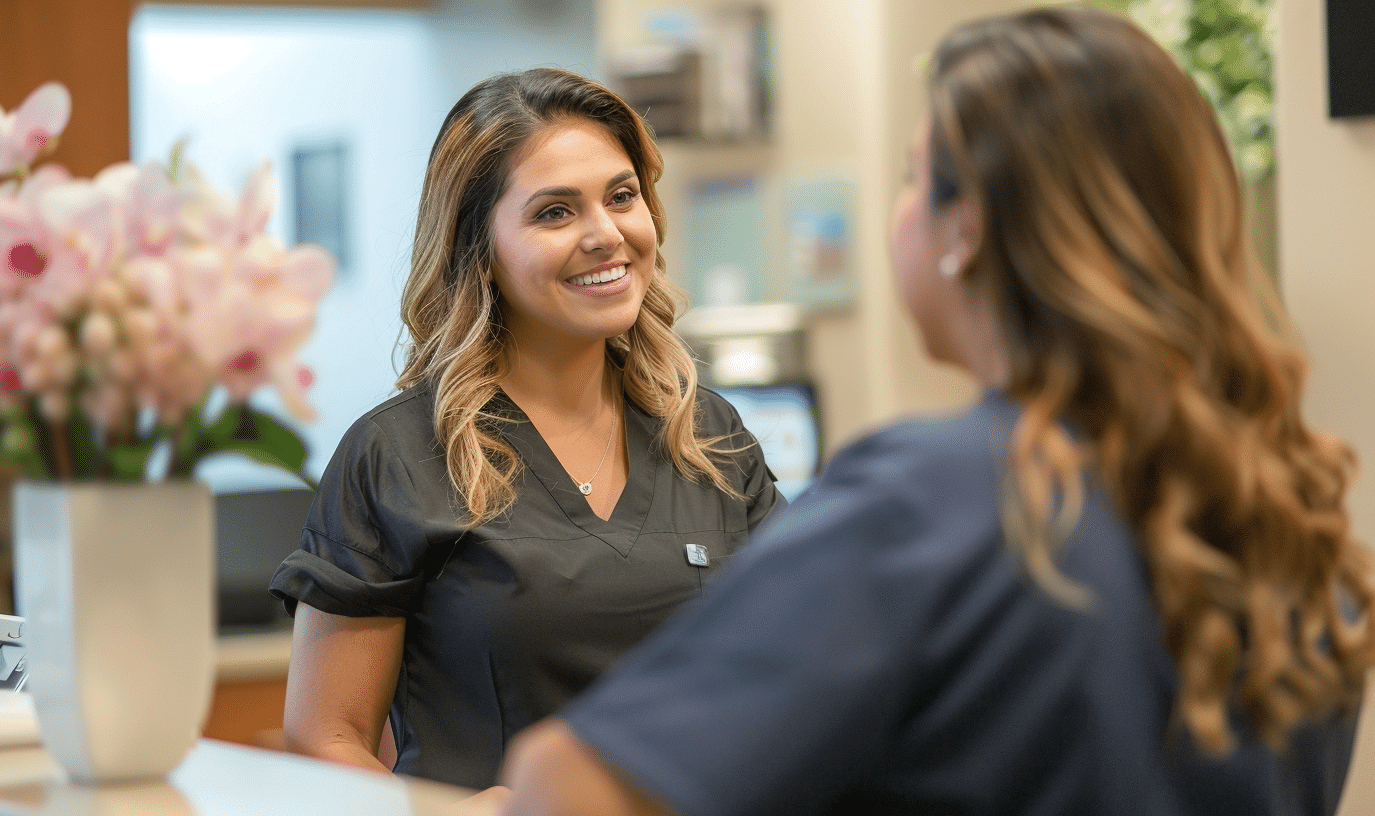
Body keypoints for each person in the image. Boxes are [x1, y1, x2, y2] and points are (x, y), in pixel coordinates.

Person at [498, 7, 1375, 815]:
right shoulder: (1293, 530)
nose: (902, 211)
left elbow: (566, 788)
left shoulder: (939, 499)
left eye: (916, 178)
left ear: (969, 230)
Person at [268, 67, 783, 792]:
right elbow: (324, 735)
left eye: (622, 196)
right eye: (554, 213)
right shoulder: (398, 454)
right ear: (480, 248)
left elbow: (793, 674)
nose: (606, 235)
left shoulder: (709, 438)